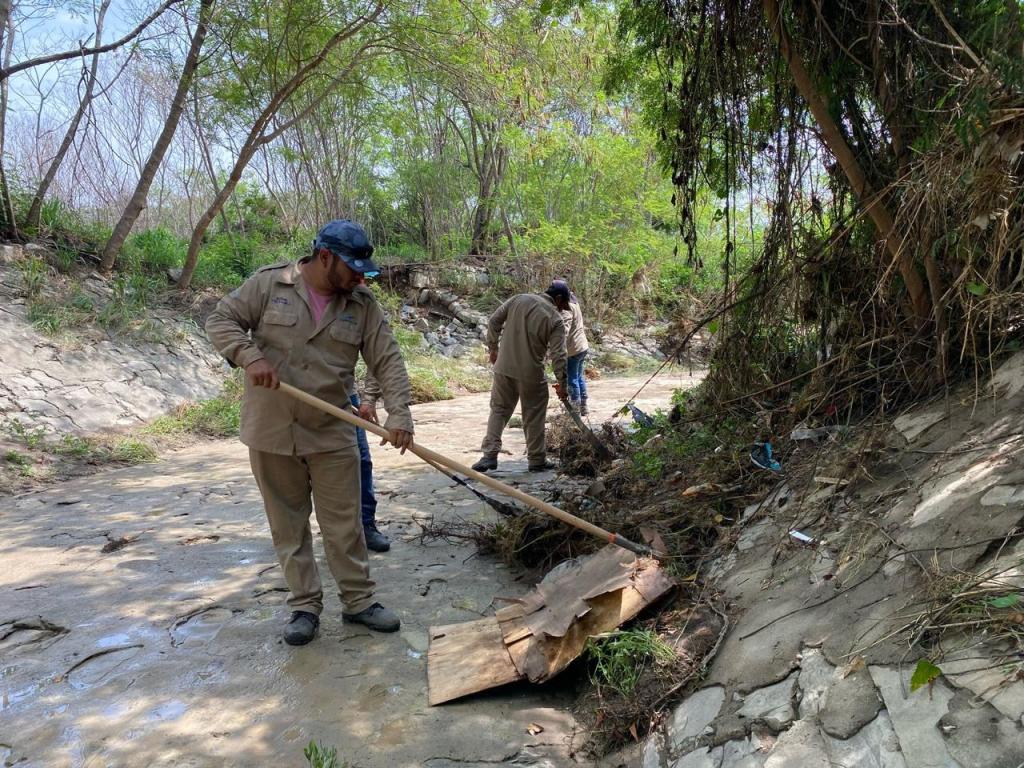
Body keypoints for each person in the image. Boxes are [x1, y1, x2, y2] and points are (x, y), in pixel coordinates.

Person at [205, 219, 414, 646]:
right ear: (325, 258)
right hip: (271, 430)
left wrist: (401, 414)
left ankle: (358, 602)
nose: (360, 276)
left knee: (345, 525)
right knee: (288, 525)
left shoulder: (362, 305)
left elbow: (387, 360)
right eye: (353, 267)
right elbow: (221, 320)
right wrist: (248, 356)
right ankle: (304, 606)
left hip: (333, 429)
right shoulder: (269, 285)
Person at [472, 281, 570, 473]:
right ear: (558, 299)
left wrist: (494, 348)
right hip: (531, 374)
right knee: (533, 414)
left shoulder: (519, 299)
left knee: (499, 410)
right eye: (563, 305)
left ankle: (489, 456)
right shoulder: (555, 319)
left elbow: (493, 321)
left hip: (503, 368)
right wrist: (563, 384)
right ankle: (536, 460)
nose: (563, 309)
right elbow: (559, 355)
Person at [352, 375, 389, 552]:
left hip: (342, 396)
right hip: (288, 400)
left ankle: (366, 525)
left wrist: (368, 398)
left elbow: (378, 360)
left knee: (361, 462)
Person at [557, 280, 590, 416]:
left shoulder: (567, 308)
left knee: (572, 378)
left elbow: (564, 330)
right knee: (579, 376)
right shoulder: (574, 301)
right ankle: (584, 406)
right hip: (582, 346)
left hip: (573, 349)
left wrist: (556, 347)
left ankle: (575, 408)